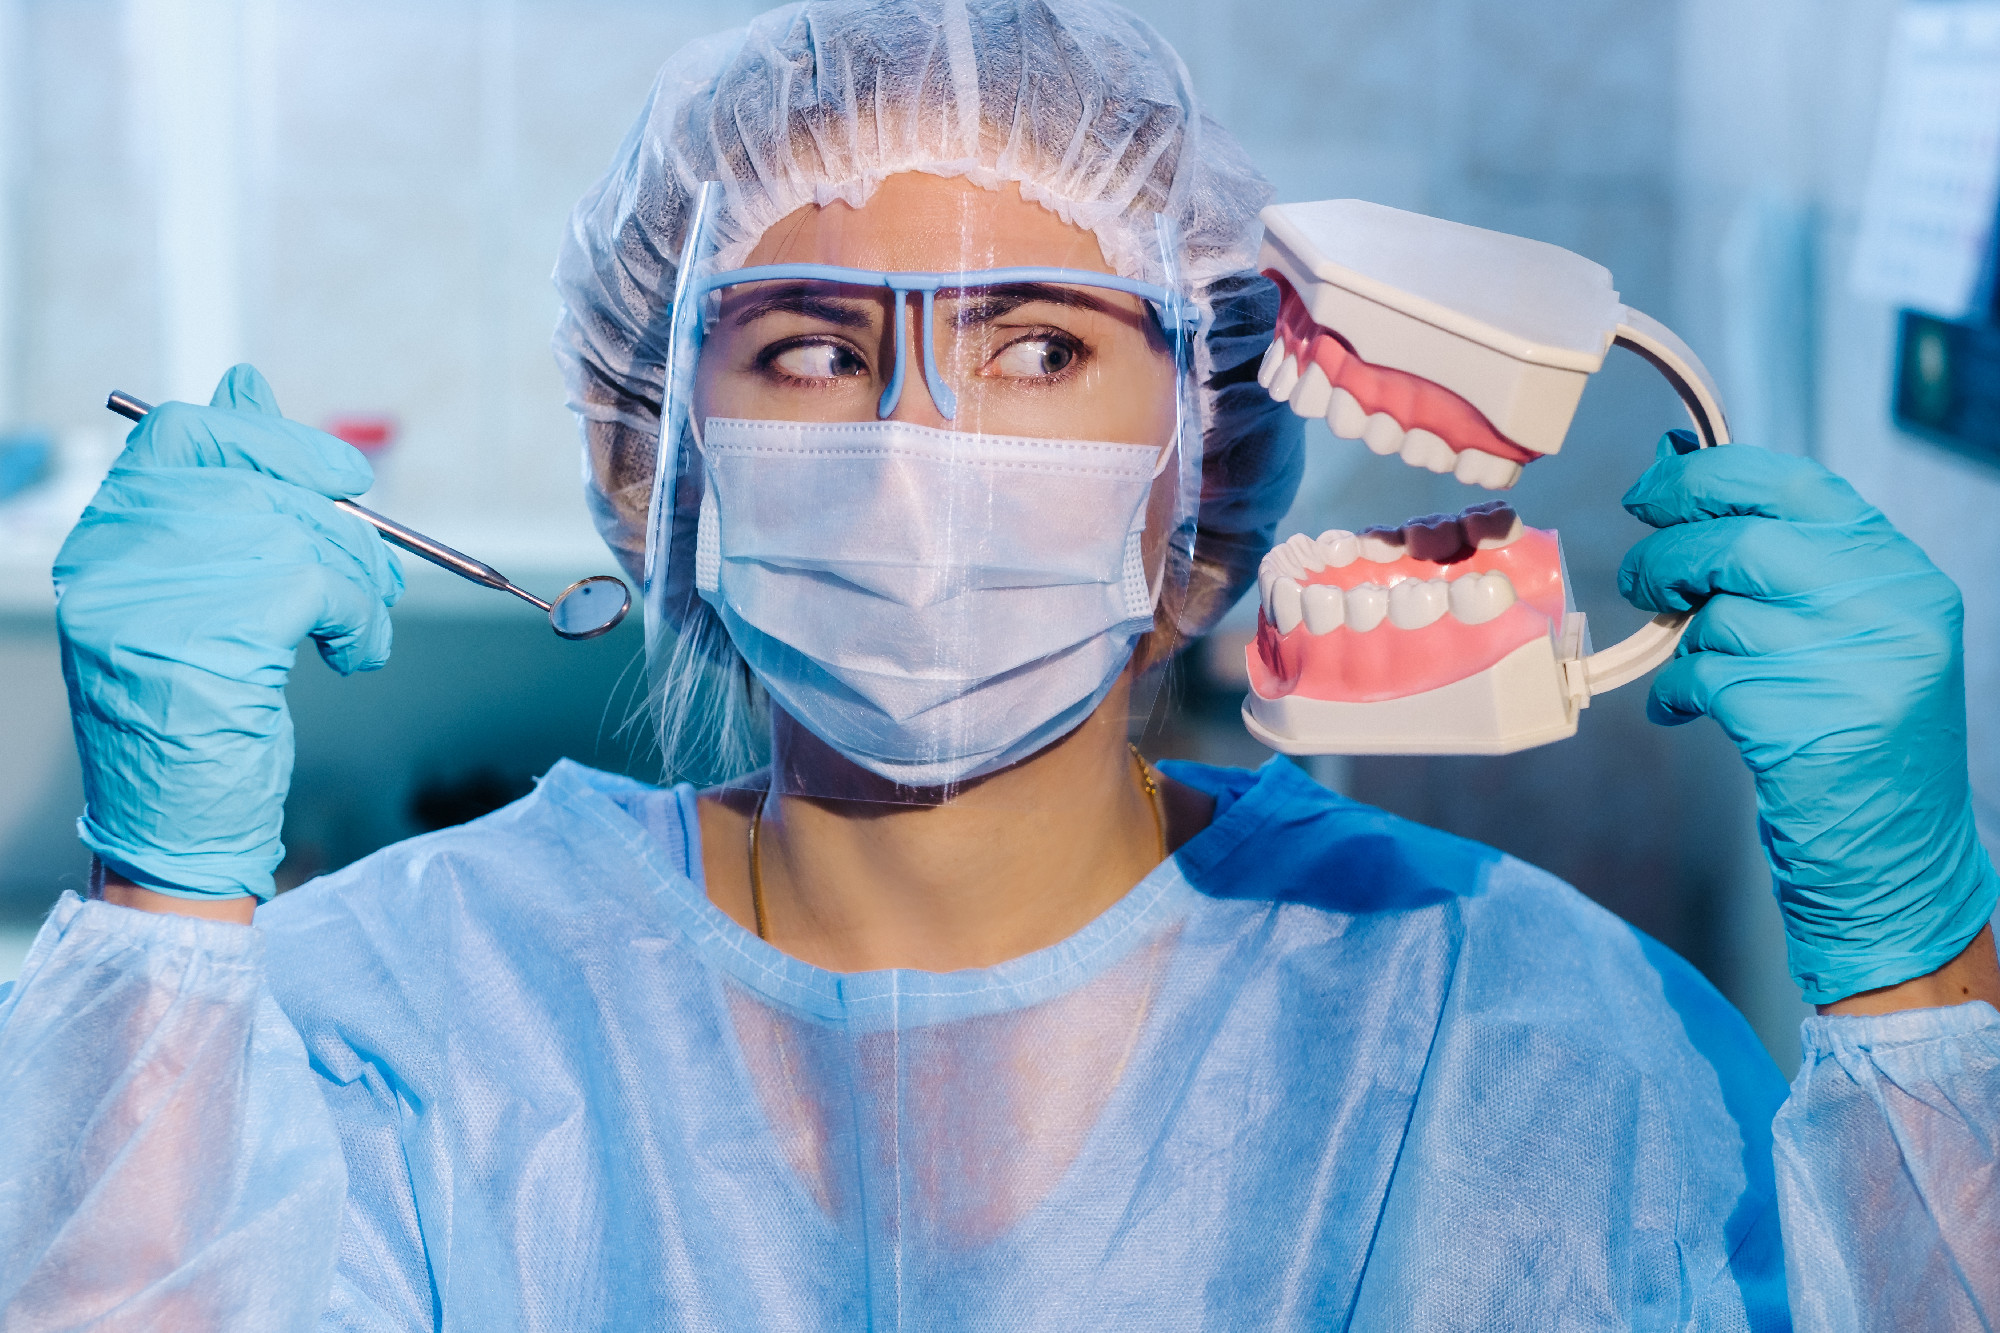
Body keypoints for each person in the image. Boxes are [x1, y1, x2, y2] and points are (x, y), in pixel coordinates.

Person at [3, 0, 1996, 1326]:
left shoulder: (1516, 1037)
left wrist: (1919, 978)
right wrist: (163, 909)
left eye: (1039, 345)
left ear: (1201, 469)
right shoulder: (398, 1028)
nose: (918, 443)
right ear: (649, 456)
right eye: (814, 347)